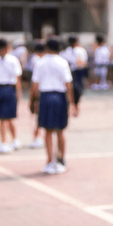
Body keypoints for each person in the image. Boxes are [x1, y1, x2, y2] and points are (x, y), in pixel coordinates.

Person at [31, 37, 78, 174]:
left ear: (47, 48)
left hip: (45, 97)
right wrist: (72, 103)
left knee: (47, 131)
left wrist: (33, 101)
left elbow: (35, 85)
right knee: (60, 130)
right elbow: (68, 84)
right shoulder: (63, 62)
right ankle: (61, 159)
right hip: (59, 97)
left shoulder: (40, 63)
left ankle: (50, 160)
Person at [0, 38, 24, 153]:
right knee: (3, 118)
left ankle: (11, 140)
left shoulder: (12, 60)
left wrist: (18, 92)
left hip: (8, 88)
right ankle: (6, 142)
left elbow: (17, 78)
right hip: (3, 88)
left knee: (8, 117)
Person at [27, 42, 47, 148]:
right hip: (44, 89)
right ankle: (38, 136)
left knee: (38, 115)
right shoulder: (42, 60)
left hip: (40, 88)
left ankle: (37, 136)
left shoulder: (36, 60)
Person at [65, 36, 89, 109]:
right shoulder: (71, 50)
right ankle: (74, 101)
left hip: (77, 70)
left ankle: (75, 102)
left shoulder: (77, 50)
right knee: (75, 86)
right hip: (74, 70)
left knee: (77, 86)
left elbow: (81, 61)